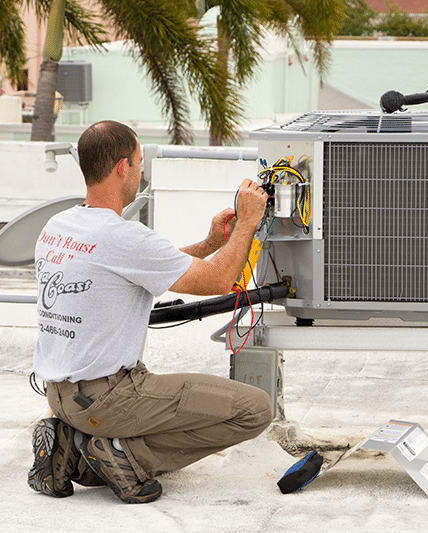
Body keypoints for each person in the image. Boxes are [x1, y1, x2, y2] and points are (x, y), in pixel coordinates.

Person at [28, 120, 273, 504]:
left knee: (116, 425)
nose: (141, 172)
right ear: (123, 167)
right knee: (255, 409)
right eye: (140, 163)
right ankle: (128, 457)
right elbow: (220, 281)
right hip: (109, 399)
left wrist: (211, 243)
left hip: (60, 398)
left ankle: (71, 448)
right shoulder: (122, 237)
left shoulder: (58, 227)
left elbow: (146, 268)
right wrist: (247, 222)